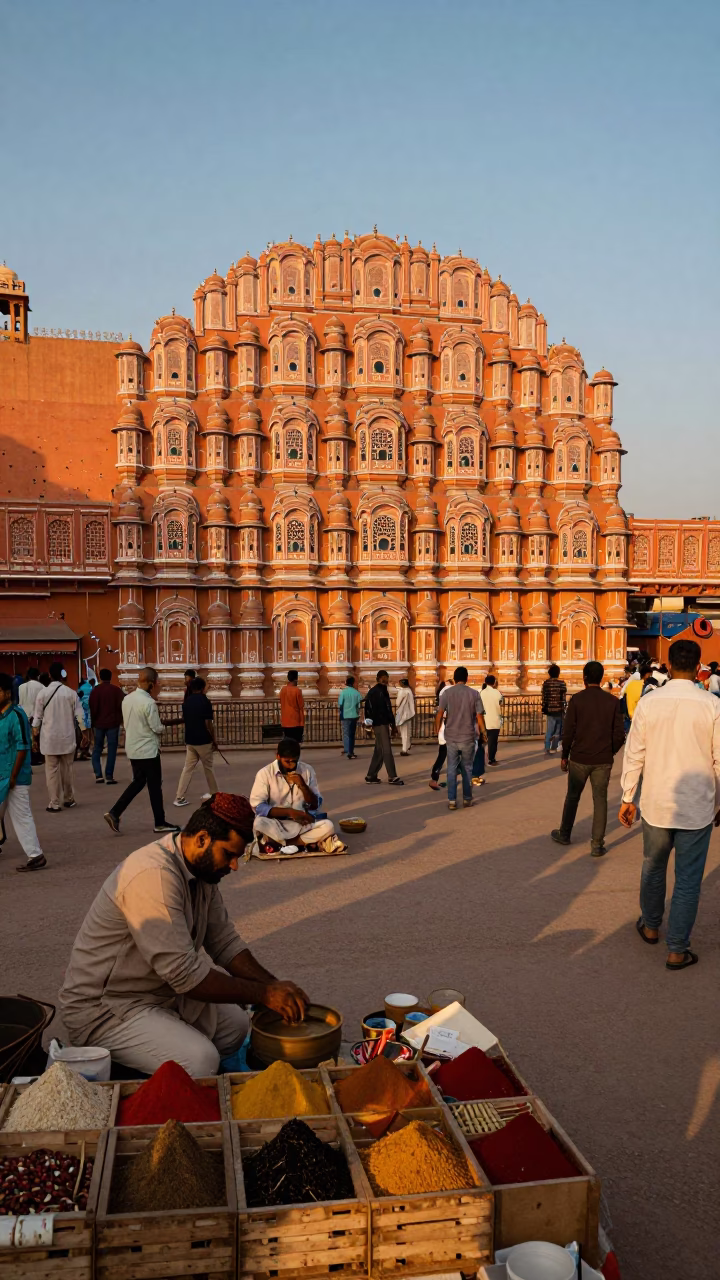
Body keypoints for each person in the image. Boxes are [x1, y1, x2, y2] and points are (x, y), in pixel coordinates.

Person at [59, 793, 310, 1074]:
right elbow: (185, 975)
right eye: (229, 854)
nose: (235, 866)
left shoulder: (203, 872)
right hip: (106, 1010)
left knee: (236, 1028)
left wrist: (276, 987)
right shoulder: (153, 874)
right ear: (202, 839)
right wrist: (264, 994)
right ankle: (118, 1068)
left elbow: (225, 943)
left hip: (161, 994)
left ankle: (164, 1053)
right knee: (201, 1061)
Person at [620, 638, 720, 971]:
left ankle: (650, 926)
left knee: (653, 865)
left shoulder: (650, 702)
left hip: (657, 803)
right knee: (689, 880)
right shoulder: (712, 704)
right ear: (698, 665)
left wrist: (627, 796)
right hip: (697, 806)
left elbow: (635, 752)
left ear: (669, 663)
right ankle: (677, 948)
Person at [551, 660, 625, 856]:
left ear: (584, 678)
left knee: (573, 797)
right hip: (603, 759)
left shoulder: (577, 700)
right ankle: (597, 844)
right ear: (601, 679)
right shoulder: (612, 702)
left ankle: (565, 833)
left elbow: (568, 732)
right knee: (600, 800)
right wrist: (610, 751)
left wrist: (565, 755)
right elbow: (619, 735)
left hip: (579, 758)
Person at [104, 667, 179, 837]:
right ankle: (159, 822)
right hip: (148, 750)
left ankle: (115, 812)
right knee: (154, 786)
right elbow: (156, 727)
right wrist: (166, 728)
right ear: (152, 684)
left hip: (133, 748)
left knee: (138, 782)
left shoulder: (127, 699)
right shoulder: (149, 703)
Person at [249, 737, 345, 854]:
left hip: (301, 823)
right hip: (275, 823)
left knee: (328, 826)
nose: (291, 765)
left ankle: (279, 844)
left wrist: (303, 785)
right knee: (259, 823)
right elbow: (258, 807)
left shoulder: (307, 770)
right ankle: (301, 844)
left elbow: (315, 804)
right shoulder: (265, 773)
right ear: (278, 756)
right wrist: (290, 812)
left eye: (294, 761)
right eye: (287, 761)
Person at [0, 673, 46, 872]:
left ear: (6, 693)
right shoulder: (3, 716)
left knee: (21, 816)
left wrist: (12, 777)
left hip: (13, 777)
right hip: (3, 775)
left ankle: (35, 855)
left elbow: (23, 747)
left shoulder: (16, 715)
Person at [32, 662, 88, 812]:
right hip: (67, 738)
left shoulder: (42, 694)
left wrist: (34, 736)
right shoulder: (71, 693)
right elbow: (80, 716)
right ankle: (69, 799)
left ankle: (54, 803)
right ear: (63, 674)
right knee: (67, 770)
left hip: (49, 739)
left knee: (51, 772)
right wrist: (85, 733)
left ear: (49, 675)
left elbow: (37, 718)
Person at [435, 667, 487, 811]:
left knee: (451, 769)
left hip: (451, 737)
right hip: (468, 737)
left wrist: (437, 730)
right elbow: (479, 716)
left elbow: (439, 714)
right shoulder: (474, 694)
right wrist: (483, 732)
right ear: (467, 678)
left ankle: (452, 800)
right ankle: (467, 799)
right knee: (467, 769)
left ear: (455, 678)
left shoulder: (446, 693)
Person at [174, 677, 219, 807]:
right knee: (208, 767)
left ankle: (179, 796)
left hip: (190, 739)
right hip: (203, 740)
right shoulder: (205, 701)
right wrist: (213, 739)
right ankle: (214, 793)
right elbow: (208, 723)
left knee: (187, 768)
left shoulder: (187, 701)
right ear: (202, 688)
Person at [364, 671, 403, 785]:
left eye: (387, 678)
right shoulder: (377, 691)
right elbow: (371, 709)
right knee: (386, 750)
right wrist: (368, 726)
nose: (386, 680)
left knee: (379, 750)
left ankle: (371, 775)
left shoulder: (380, 691)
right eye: (384, 678)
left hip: (381, 723)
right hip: (380, 723)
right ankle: (392, 776)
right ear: (379, 678)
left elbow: (387, 709)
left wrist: (392, 724)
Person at [89, 668, 125, 785]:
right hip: (113, 723)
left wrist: (93, 722)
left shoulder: (95, 691)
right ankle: (109, 775)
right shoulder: (116, 690)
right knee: (112, 750)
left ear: (100, 677)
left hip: (99, 723)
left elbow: (92, 707)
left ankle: (98, 774)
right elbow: (122, 705)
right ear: (110, 677)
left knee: (97, 749)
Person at [429, 680, 451, 790]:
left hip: (443, 729)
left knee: (442, 755)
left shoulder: (442, 693)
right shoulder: (449, 693)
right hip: (451, 731)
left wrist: (437, 728)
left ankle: (434, 779)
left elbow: (439, 714)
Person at [541, 664, 567, 754]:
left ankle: (547, 747)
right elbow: (563, 697)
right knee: (558, 730)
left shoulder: (546, 683)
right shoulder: (561, 683)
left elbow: (544, 697)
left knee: (549, 729)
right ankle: (554, 747)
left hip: (549, 710)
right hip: (559, 709)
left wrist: (544, 707)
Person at [337, 676, 363, 759]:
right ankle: (351, 751)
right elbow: (359, 704)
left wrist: (341, 713)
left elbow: (340, 704)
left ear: (346, 683)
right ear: (353, 683)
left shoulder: (343, 692)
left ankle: (346, 749)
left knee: (345, 733)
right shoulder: (357, 692)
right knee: (352, 734)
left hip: (345, 715)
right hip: (354, 715)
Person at [481, 675, 503, 766]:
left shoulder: (481, 693)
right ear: (494, 683)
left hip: (484, 720)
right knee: (493, 741)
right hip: (495, 720)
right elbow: (501, 702)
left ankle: (483, 759)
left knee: (484, 741)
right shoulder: (497, 692)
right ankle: (491, 759)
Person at [279, 670, 305, 743]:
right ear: (296, 679)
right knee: (295, 742)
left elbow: (281, 701)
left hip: (285, 720)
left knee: (287, 742)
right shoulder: (297, 690)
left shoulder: (283, 690)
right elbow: (301, 705)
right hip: (295, 721)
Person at [395, 679, 416, 756]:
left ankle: (404, 749)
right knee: (407, 732)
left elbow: (397, 703)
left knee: (404, 733)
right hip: (409, 714)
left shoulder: (402, 691)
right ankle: (407, 747)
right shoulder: (409, 691)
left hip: (403, 714)